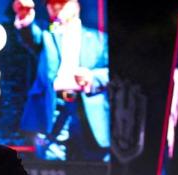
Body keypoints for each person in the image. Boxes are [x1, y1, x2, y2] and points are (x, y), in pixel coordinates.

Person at [12, 0, 110, 161]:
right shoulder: (46, 35)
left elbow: (112, 73)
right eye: (52, 3)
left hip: (88, 109)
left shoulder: (98, 39)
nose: (56, 7)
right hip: (53, 107)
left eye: (62, 2)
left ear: (76, 5)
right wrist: (25, 17)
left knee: (95, 163)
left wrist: (92, 77)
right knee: (51, 164)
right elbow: (29, 35)